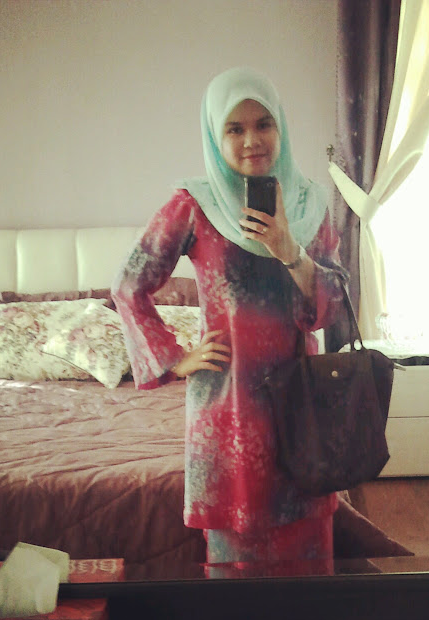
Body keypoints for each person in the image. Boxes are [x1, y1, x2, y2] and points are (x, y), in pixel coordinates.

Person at [112, 67, 346, 572]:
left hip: (300, 404)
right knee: (238, 568)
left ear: (281, 127)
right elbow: (129, 284)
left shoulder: (310, 203)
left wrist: (289, 249)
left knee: (308, 563)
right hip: (229, 408)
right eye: (234, 129)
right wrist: (174, 358)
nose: (251, 140)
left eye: (263, 124)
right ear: (214, 137)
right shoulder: (194, 205)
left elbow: (332, 306)